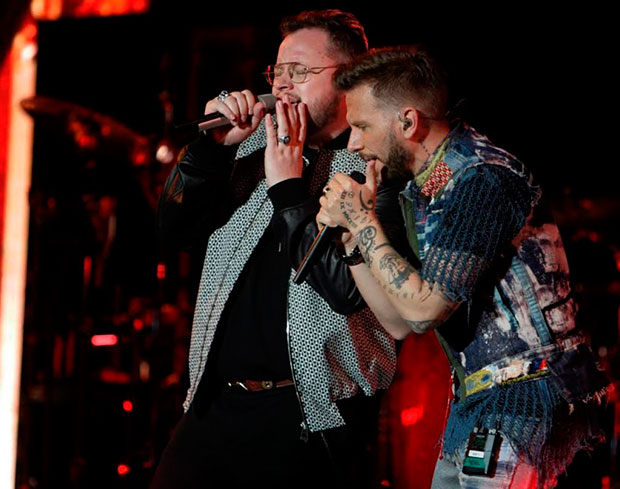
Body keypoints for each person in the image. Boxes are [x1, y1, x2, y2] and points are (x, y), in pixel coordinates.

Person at [318, 46, 609, 489]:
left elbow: (425, 310)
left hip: (521, 398)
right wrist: (351, 241)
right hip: (480, 401)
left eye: (361, 126)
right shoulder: (429, 185)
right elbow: (400, 322)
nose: (352, 143)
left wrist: (362, 219)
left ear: (408, 122)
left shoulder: (482, 177)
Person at [151, 10, 399, 489]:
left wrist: (289, 189)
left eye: (299, 71)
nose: (283, 84)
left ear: (349, 78)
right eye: (277, 71)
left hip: (308, 419)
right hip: (214, 407)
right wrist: (211, 149)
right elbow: (173, 231)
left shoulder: (375, 168)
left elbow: (348, 291)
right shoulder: (246, 152)